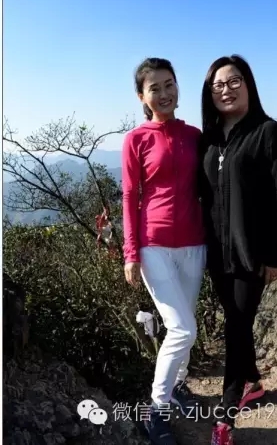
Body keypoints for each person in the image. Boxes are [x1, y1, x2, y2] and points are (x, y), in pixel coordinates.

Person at [198, 55, 277, 443]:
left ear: (249, 84)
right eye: (218, 85)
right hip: (216, 255)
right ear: (209, 93)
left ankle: (226, 413)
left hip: (251, 254)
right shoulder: (208, 139)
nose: (226, 90)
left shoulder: (269, 132)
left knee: (236, 325)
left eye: (234, 81)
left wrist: (275, 254)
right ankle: (252, 379)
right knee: (236, 320)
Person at [122, 57, 207, 445]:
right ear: (142, 96)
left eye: (169, 84)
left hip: (194, 243)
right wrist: (131, 252)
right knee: (182, 328)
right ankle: (156, 409)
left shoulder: (194, 135)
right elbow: (129, 196)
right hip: (153, 244)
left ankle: (178, 386)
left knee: (184, 324)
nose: (164, 93)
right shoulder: (136, 139)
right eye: (154, 88)